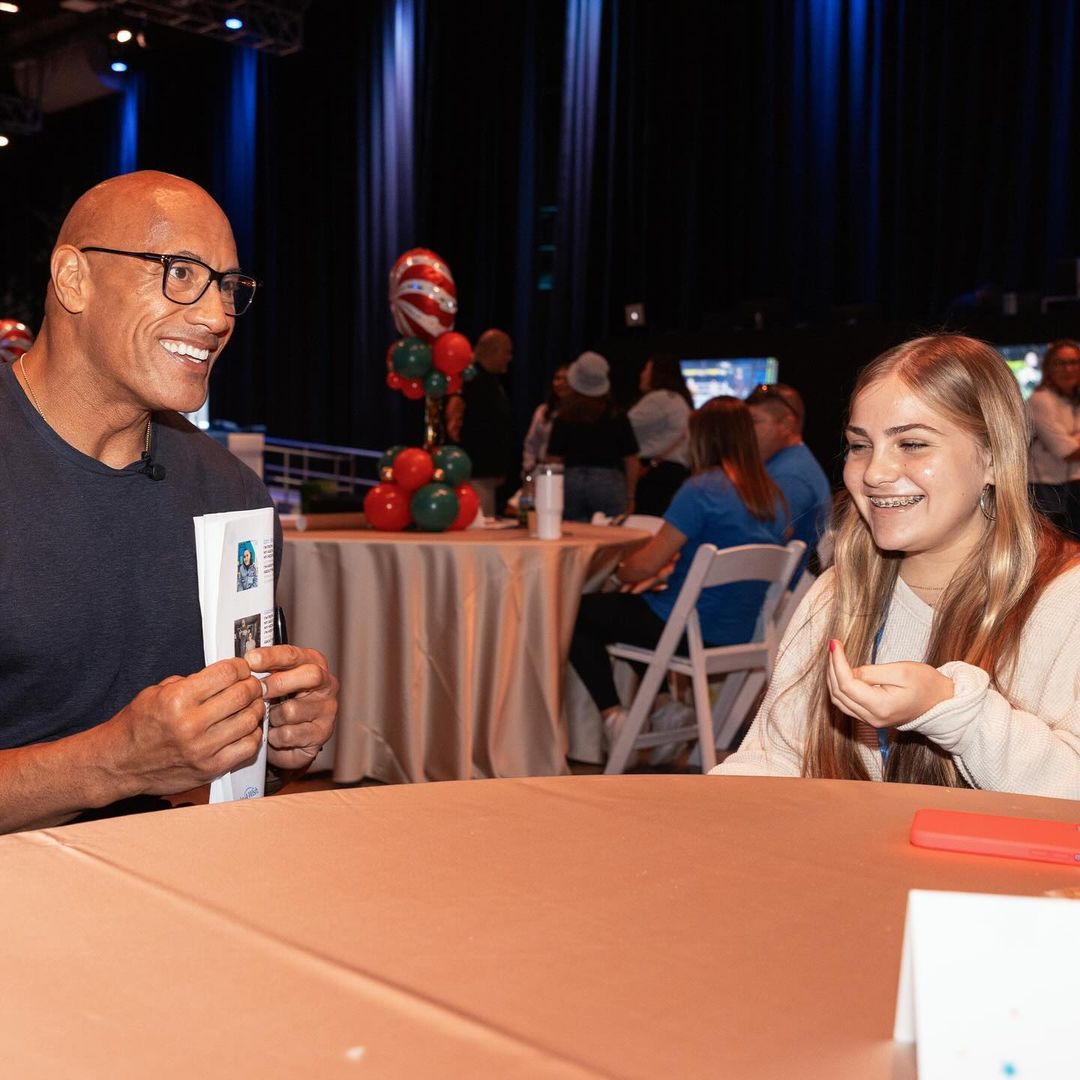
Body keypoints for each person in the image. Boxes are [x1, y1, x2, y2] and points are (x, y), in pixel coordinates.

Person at [0, 170, 338, 832]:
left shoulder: (232, 496)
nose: (216, 318)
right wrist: (113, 764)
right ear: (73, 279)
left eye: (230, 288)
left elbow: (225, 764)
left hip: (173, 885)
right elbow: (134, 762)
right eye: (179, 273)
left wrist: (276, 745)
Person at [715, 334, 1080, 797]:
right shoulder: (838, 591)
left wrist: (953, 709)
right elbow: (776, 756)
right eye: (859, 445)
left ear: (993, 457)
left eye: (911, 443)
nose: (873, 473)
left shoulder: (1066, 599)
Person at [568, 396, 788, 749]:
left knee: (579, 613)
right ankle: (663, 707)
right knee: (627, 612)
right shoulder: (772, 496)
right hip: (738, 630)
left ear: (703, 439)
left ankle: (615, 719)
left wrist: (619, 572)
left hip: (689, 627)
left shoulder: (701, 490)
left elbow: (646, 564)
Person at [745, 382, 832, 578]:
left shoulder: (790, 475)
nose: (745, 432)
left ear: (785, 425)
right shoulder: (788, 463)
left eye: (754, 421)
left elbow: (761, 548)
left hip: (779, 593)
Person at [546, 351, 640, 521]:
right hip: (608, 481)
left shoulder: (564, 416)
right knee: (611, 535)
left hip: (571, 481)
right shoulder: (616, 415)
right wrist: (630, 495)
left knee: (574, 534)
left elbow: (554, 458)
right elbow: (631, 458)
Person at [445, 328, 513, 517]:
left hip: (483, 472)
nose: (509, 357)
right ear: (495, 351)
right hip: (474, 473)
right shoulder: (468, 381)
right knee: (479, 525)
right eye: (507, 352)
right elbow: (471, 428)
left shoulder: (486, 380)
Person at [1026, 338, 1080, 540]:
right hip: (1045, 490)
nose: (1068, 369)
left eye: (1073, 362)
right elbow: (1066, 452)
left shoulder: (1074, 400)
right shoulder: (1040, 401)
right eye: (1060, 363)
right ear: (1048, 368)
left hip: (1072, 488)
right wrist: (1072, 443)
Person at [628, 353, 694, 516]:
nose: (642, 374)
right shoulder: (678, 399)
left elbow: (624, 427)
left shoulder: (659, 399)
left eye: (646, 369)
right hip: (673, 472)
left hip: (655, 475)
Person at [521, 364, 569, 476]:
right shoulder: (543, 411)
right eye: (557, 378)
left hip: (568, 472)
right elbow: (531, 443)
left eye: (565, 379)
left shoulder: (579, 414)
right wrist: (529, 467)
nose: (560, 383)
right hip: (543, 469)